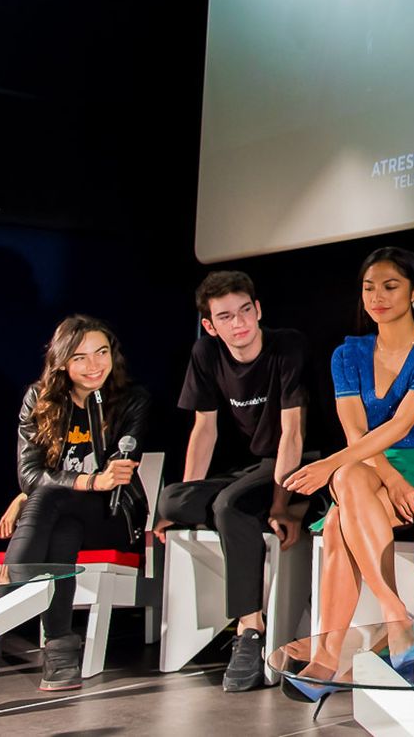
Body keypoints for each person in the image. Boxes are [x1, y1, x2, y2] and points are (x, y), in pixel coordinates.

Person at [282, 247, 414, 697]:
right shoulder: (348, 353)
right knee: (347, 481)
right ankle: (395, 616)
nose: (377, 297)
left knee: (338, 516)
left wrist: (332, 464)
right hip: (367, 462)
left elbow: (401, 425)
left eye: (390, 286)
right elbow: (355, 431)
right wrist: (379, 473)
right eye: (368, 288)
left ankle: (327, 657)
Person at [0, 316, 151, 692]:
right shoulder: (40, 399)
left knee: (50, 503)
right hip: (61, 513)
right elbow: (29, 474)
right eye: (80, 357)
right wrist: (80, 482)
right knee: (63, 532)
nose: (94, 365)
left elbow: (118, 470)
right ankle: (60, 648)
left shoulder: (132, 399)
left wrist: (36, 495)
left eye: (102, 353)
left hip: (111, 515)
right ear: (62, 362)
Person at [154, 271, 310, 693]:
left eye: (245, 311)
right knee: (170, 501)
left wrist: (282, 505)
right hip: (247, 471)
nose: (238, 323)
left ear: (258, 310)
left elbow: (292, 433)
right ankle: (238, 517)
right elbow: (204, 430)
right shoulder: (206, 353)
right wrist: (184, 503)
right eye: (225, 317)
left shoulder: (287, 346)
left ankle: (249, 629)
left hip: (295, 464)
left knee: (229, 506)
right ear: (210, 325)